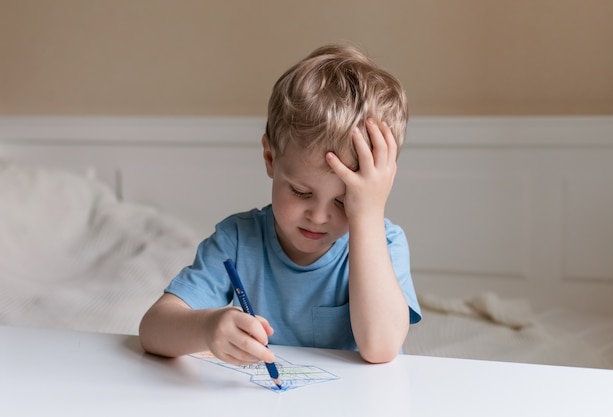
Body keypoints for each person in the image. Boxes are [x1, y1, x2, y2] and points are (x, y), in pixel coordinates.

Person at [139, 42, 421, 366]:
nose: (318, 216)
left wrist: (368, 215)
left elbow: (381, 348)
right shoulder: (238, 240)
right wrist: (207, 328)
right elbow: (153, 328)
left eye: (346, 202)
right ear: (270, 158)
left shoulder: (385, 243)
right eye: (301, 191)